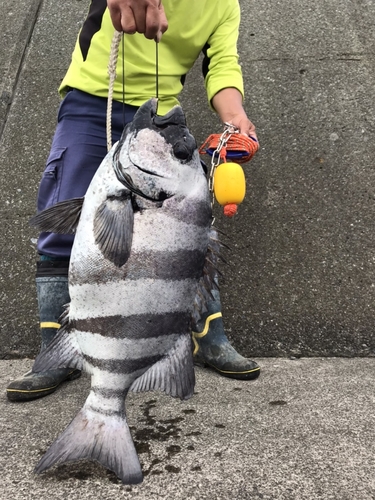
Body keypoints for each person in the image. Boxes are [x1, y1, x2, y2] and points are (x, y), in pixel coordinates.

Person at [6, 0, 260, 402]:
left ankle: (208, 335)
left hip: (160, 120)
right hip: (91, 101)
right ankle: (56, 352)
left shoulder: (224, 5)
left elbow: (223, 63)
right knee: (63, 232)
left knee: (190, 228)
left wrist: (234, 115)